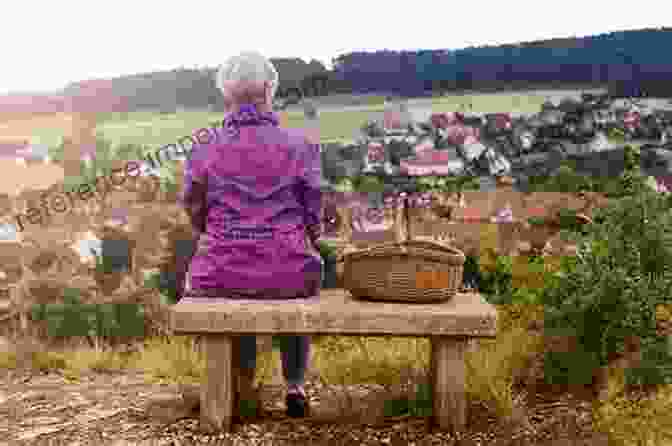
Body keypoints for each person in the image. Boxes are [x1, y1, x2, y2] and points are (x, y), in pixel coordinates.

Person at [180, 51, 322, 419]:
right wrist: (305, 236)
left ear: (225, 94)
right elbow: (313, 211)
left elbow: (193, 207)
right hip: (288, 268)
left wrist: (214, 235)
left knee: (223, 280)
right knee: (295, 284)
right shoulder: (299, 144)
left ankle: (240, 383)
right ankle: (294, 384)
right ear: (270, 89)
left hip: (220, 269)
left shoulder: (204, 145)